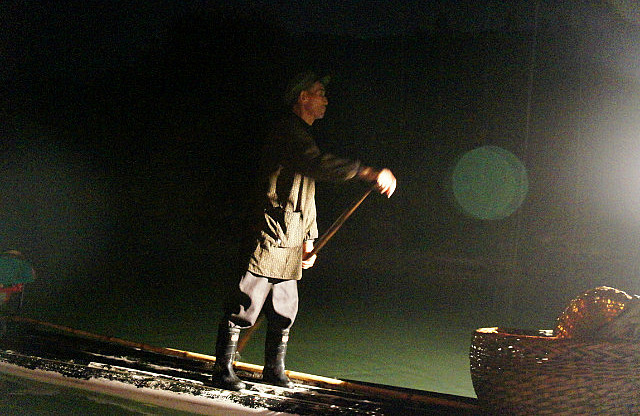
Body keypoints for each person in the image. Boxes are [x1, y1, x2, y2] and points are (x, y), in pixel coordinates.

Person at [210, 71, 397, 390]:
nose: (325, 99)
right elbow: (317, 164)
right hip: (269, 231)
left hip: (292, 235)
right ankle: (223, 369)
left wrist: (309, 239)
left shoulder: (303, 136)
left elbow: (305, 194)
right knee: (245, 302)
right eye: (319, 92)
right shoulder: (287, 132)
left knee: (284, 307)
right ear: (302, 97)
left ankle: (274, 369)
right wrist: (366, 172)